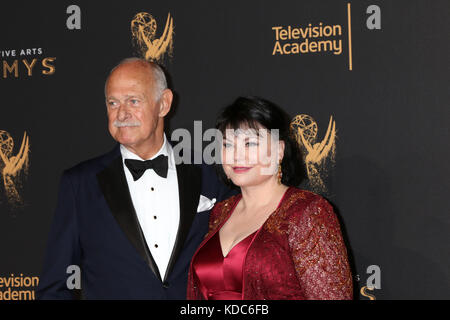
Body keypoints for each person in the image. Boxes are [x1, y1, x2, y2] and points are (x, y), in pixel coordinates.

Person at [36, 58, 234, 299]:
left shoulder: (209, 172)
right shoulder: (79, 184)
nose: (122, 113)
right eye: (113, 102)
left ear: (164, 103)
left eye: (133, 100)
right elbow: (55, 286)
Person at [187, 96, 353, 300]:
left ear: (279, 151)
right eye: (228, 145)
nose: (237, 155)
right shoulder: (220, 212)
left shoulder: (306, 212)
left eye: (250, 144)